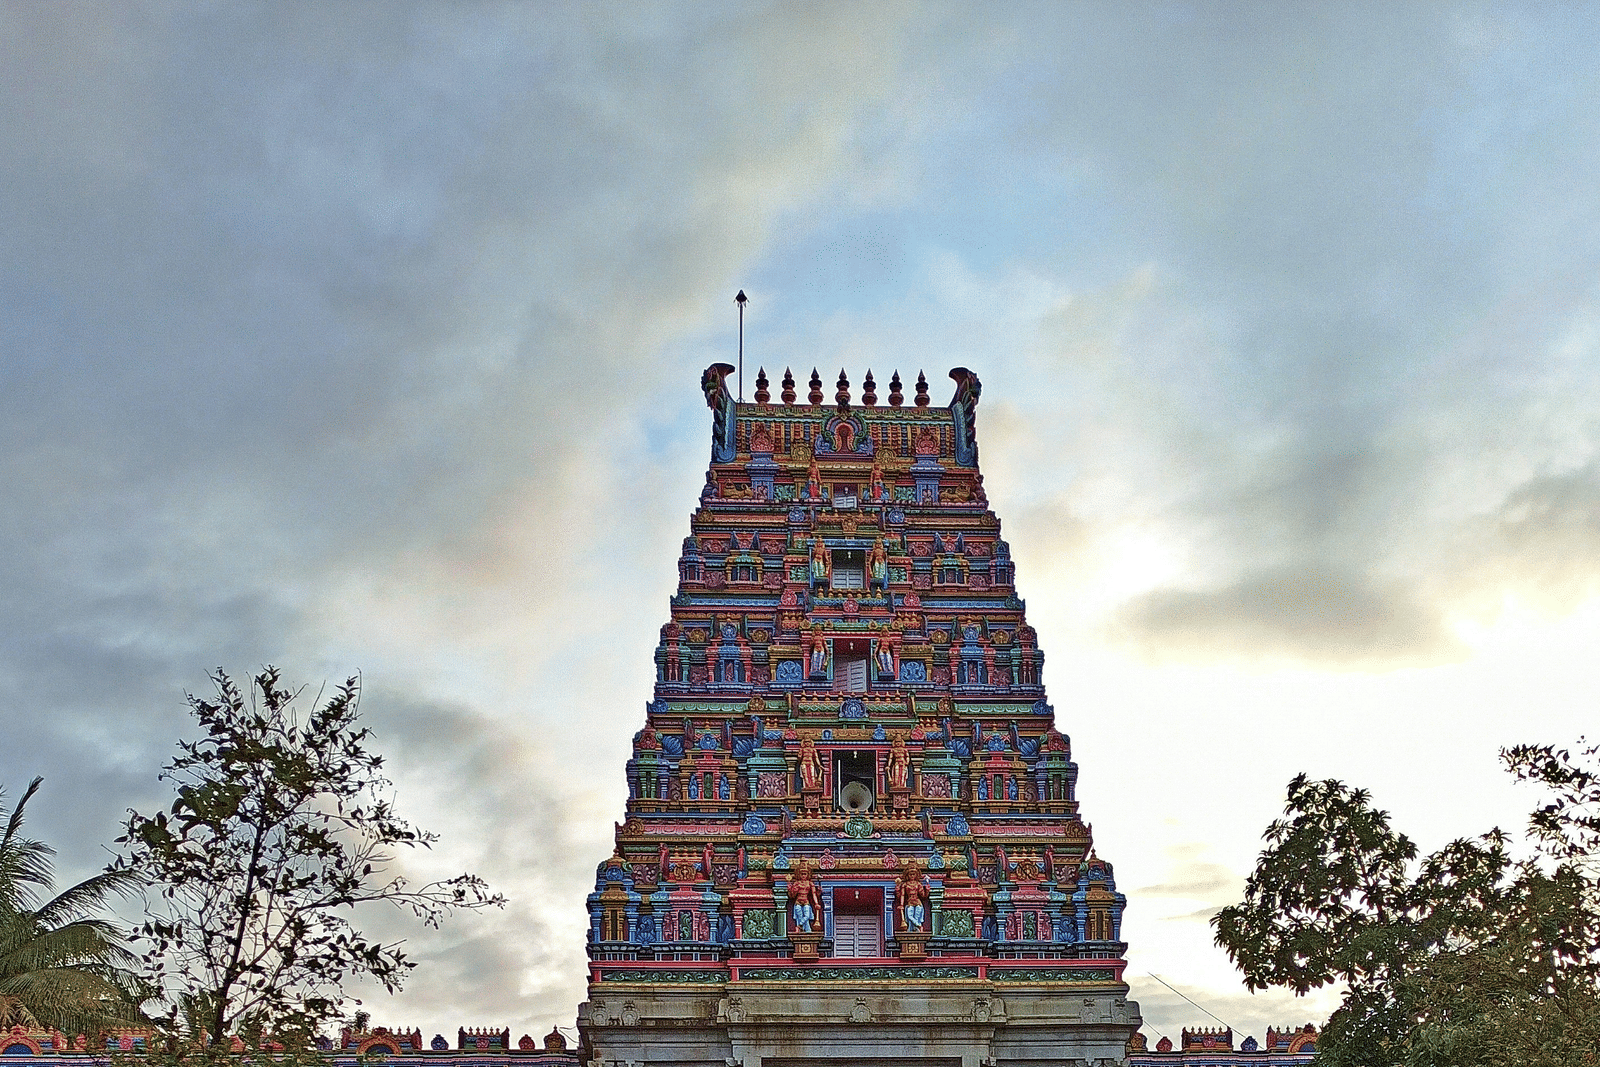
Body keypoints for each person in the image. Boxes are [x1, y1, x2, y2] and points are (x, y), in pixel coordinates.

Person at [898, 860, 929, 932]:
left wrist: (927, 890)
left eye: (913, 874)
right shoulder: (905, 884)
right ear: (907, 875)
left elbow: (923, 896)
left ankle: (916, 929)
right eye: (910, 874)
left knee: (917, 916)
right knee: (909, 916)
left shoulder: (918, 884)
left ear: (916, 875)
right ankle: (919, 926)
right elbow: (902, 895)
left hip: (918, 902)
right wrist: (901, 904)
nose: (912, 876)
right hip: (910, 902)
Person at [790, 862, 822, 933]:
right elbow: (792, 895)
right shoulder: (797, 883)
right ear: (799, 874)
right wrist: (791, 887)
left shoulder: (810, 883)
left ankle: (799, 926)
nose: (803, 876)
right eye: (802, 874)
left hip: (806, 902)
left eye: (805, 874)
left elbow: (814, 894)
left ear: (808, 874)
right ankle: (806, 931)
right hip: (798, 902)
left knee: (807, 916)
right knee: (799, 917)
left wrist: (816, 903)